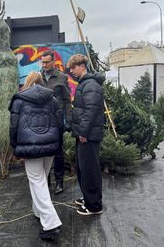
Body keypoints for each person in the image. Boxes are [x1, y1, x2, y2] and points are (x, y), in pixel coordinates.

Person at [9, 71, 63, 240]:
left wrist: (14, 145)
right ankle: (38, 210)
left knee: (37, 181)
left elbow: (13, 126)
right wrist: (58, 144)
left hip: (29, 147)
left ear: (27, 82)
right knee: (42, 179)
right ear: (41, 82)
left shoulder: (19, 100)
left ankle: (51, 223)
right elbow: (59, 123)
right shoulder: (52, 99)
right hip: (50, 145)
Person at [66, 54, 105, 216]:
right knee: (83, 168)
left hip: (88, 136)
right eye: (71, 69)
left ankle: (94, 206)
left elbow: (91, 111)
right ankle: (88, 198)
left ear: (83, 66)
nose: (72, 71)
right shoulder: (85, 84)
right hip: (84, 134)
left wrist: (83, 132)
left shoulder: (91, 85)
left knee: (90, 169)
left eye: (74, 68)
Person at [40, 50, 72, 194]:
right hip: (41, 122)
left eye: (47, 62)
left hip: (57, 121)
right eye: (43, 62)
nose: (44, 65)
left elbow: (66, 100)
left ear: (53, 62)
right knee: (43, 152)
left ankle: (59, 182)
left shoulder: (62, 77)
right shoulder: (38, 77)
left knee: (58, 152)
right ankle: (46, 181)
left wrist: (68, 120)